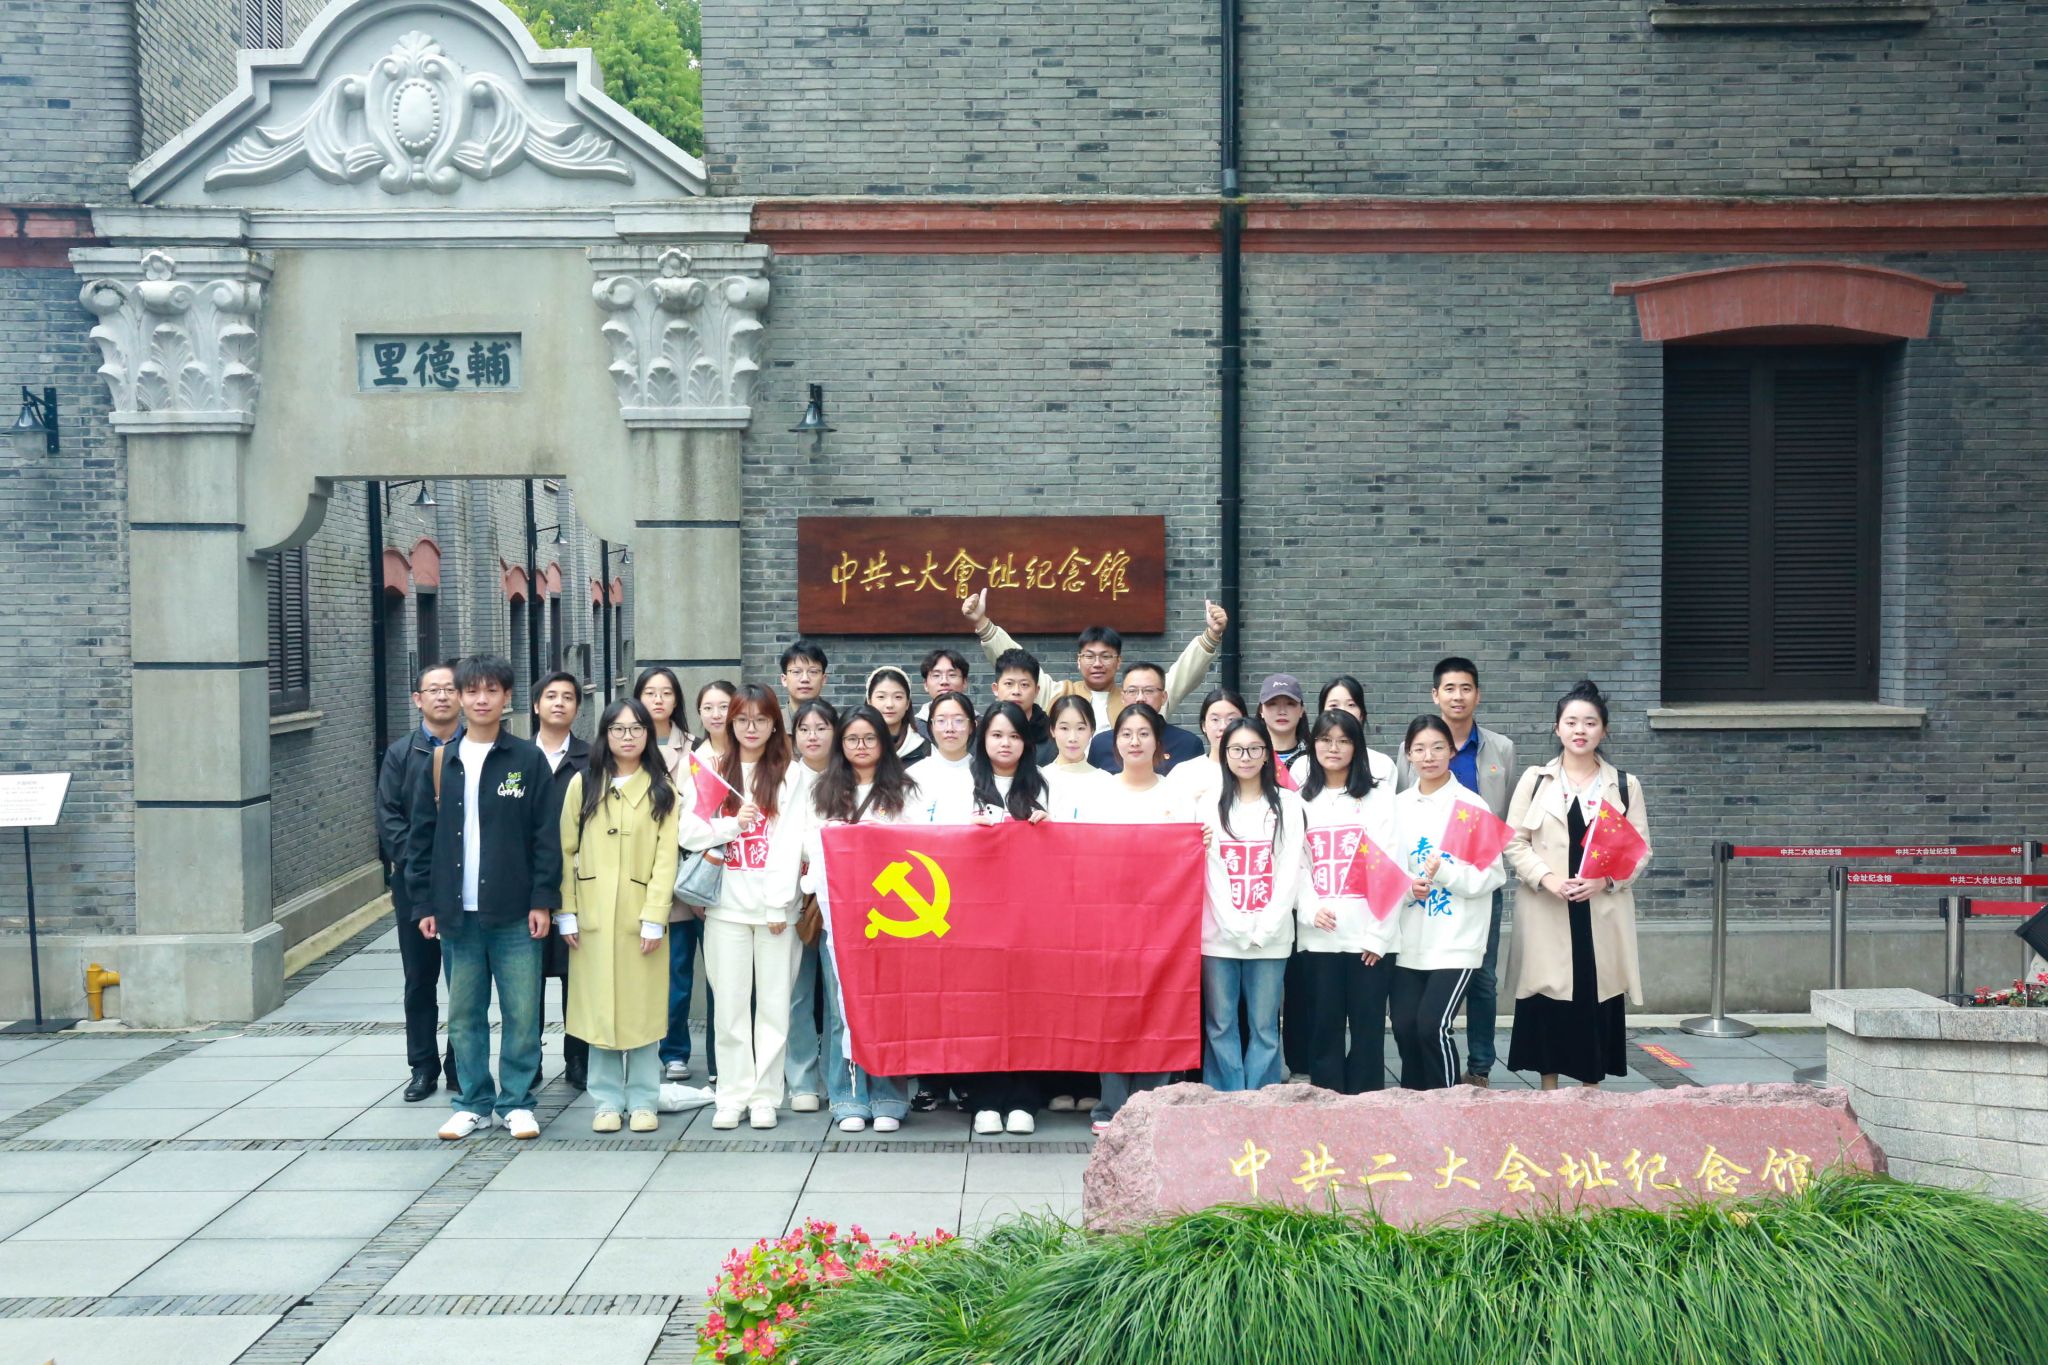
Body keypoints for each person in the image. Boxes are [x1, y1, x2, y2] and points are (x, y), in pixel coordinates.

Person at [405, 654, 561, 1141]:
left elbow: (546, 836)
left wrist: (542, 900)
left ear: (507, 697)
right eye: (471, 690)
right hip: (457, 914)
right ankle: (472, 1101)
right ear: (459, 697)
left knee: (522, 1013)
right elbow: (420, 839)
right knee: (465, 1015)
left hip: (515, 913)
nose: (481, 699)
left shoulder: (526, 760)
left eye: (491, 690)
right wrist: (423, 904)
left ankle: (516, 1102)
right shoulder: (441, 762)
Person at [1504, 681, 1650, 1090]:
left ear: (1604, 730)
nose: (1580, 730)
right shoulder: (1536, 780)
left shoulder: (1624, 785)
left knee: (1595, 992)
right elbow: (1513, 841)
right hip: (1547, 905)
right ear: (1557, 728)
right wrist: (1547, 878)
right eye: (1571, 722)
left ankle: (1591, 1088)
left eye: (1590, 722)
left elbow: (1640, 850)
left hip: (1600, 908)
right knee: (1547, 997)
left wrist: (1604, 880)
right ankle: (1548, 1087)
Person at [685, 684, 809, 1129]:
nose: (750, 728)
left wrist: (778, 905)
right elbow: (688, 833)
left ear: (774, 723)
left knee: (774, 1007)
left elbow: (793, 842)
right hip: (726, 909)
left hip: (777, 911)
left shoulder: (792, 775)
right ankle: (732, 1095)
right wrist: (729, 825)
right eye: (742, 719)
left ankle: (765, 1097)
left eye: (760, 719)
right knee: (730, 1008)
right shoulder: (713, 770)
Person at [555, 698, 679, 1132]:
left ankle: (644, 1099)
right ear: (605, 734)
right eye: (618, 729)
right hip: (590, 915)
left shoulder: (662, 790)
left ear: (648, 734)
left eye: (637, 728)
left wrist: (655, 915)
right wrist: (566, 911)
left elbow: (666, 858)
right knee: (599, 1008)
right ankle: (606, 1100)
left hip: (639, 915)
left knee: (642, 1008)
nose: (628, 737)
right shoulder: (583, 784)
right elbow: (565, 850)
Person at [1397, 657, 1516, 1088]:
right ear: (1408, 755)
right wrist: (1407, 887)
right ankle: (1415, 1105)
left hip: (1457, 939)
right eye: (1419, 749)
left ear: (1452, 752)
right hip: (1410, 939)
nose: (1428, 756)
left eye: (1437, 748)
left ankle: (1450, 1107)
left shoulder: (1470, 806)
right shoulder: (1397, 807)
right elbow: (1386, 873)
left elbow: (1492, 876)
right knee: (1406, 1028)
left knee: (1432, 1027)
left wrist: (1445, 871)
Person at [1081, 702, 1197, 1134]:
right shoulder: (1100, 793)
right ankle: (1110, 1107)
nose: (1135, 741)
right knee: (1113, 1011)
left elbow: (1189, 854)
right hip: (1111, 922)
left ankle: (1151, 1104)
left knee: (1160, 1007)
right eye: (1127, 733)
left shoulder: (1177, 795)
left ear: (1158, 743)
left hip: (1166, 924)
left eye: (1144, 733)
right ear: (1115, 743)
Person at [805, 705, 920, 1134]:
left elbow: (919, 848)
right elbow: (811, 847)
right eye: (852, 739)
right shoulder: (823, 791)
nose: (861, 746)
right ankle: (847, 1095)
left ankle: (889, 1096)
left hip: (891, 919)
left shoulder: (905, 790)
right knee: (842, 1010)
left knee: (887, 1007)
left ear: (884, 743)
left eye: (870, 738)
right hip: (839, 917)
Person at [960, 700, 1056, 1134]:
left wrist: (1048, 829)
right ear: (983, 738)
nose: (1005, 743)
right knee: (982, 1008)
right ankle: (985, 1099)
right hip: (975, 918)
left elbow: (1066, 851)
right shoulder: (964, 784)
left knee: (1028, 1007)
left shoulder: (1044, 785)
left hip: (1030, 919)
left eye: (1014, 736)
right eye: (997, 735)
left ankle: (1024, 1100)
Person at [1296, 710, 1400, 1094]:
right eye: (1325, 740)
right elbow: (1296, 865)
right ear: (1313, 745)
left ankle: (1366, 1106)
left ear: (1357, 747)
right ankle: (1326, 1105)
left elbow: (1392, 868)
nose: (1334, 748)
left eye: (1344, 740)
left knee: (1368, 1029)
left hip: (1367, 941)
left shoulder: (1378, 800)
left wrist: (1378, 935)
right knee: (1323, 1028)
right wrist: (1310, 910)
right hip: (1320, 936)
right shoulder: (1299, 801)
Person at [1199, 717, 1303, 1092]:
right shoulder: (1209, 804)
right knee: (1221, 1022)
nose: (1245, 757)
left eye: (1254, 749)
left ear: (1266, 754)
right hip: (1219, 935)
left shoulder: (1288, 803)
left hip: (1270, 935)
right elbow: (1210, 870)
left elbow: (1290, 867)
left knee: (1264, 1024)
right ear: (1224, 754)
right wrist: (1233, 924)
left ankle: (1261, 1097)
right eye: (1237, 749)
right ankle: (1226, 1096)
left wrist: (1266, 926)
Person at [375, 662, 461, 1103]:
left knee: (465, 980)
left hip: (467, 883)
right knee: (419, 979)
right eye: (433, 690)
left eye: (449, 689)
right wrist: (420, 865)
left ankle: (460, 1065)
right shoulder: (400, 753)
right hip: (414, 884)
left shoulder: (474, 749)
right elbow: (389, 818)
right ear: (417, 699)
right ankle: (422, 1067)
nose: (442, 696)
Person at [962, 589, 1230, 725]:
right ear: (1078, 661)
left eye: (1106, 656)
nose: (1098, 664)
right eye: (1089, 656)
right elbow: (1019, 664)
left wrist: (1212, 634)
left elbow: (1182, 675)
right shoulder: (1058, 694)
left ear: (1118, 661)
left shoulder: (1135, 697)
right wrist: (983, 623)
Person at [531, 671, 591, 1091]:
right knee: (526, 978)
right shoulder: (517, 757)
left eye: (567, 697)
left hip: (578, 884)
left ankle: (578, 1058)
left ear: (576, 707)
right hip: (528, 885)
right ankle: (527, 1058)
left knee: (577, 976)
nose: (559, 703)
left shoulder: (592, 759)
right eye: (550, 696)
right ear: (536, 705)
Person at [784, 698, 839, 1113]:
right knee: (797, 993)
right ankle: (801, 1079)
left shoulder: (847, 777)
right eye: (804, 729)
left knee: (838, 997)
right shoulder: (784, 778)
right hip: (793, 896)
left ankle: (837, 1078)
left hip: (838, 898)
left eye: (821, 728)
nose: (813, 736)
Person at [1084, 662, 1206, 774]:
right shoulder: (1100, 743)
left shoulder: (1188, 744)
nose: (1140, 698)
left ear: (1163, 697)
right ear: (1123, 697)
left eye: (1148, 691)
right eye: (1132, 691)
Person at [1290, 675, 1396, 788]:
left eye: (1351, 705)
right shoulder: (1301, 768)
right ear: (1322, 714)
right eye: (1334, 705)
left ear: (1362, 714)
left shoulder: (1382, 765)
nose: (1342, 711)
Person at [1166, 686, 1246, 809]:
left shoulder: (1254, 770)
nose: (1223, 727)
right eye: (1215, 719)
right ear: (1203, 725)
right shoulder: (1183, 773)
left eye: (1231, 719)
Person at [906, 690, 976, 822]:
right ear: (931, 726)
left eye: (958, 720)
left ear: (972, 726)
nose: (949, 728)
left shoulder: (986, 774)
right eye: (941, 720)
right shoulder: (912, 776)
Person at [1040, 694, 1106, 823]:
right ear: (1052, 730)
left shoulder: (1105, 782)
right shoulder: (1039, 779)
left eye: (1080, 728)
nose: (1072, 738)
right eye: (1064, 728)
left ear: (1092, 731)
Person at [990, 647, 1056, 763]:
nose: (1016, 691)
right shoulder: (983, 733)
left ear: (1036, 691)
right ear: (995, 688)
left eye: (1024, 685)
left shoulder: (1053, 736)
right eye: (1009, 684)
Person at [865, 666, 928, 763]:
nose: (890, 704)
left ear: (907, 703)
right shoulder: (857, 745)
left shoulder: (923, 745)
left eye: (898, 697)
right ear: (869, 701)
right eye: (881, 697)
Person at [634, 666, 691, 766]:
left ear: (676, 701)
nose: (658, 700)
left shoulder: (693, 746)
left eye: (666, 693)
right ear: (638, 700)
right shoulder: (627, 744)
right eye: (650, 693)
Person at [1257, 674, 1309, 771]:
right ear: (1261, 710)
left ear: (1301, 710)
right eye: (1272, 704)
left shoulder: (1314, 756)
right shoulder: (1250, 755)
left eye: (1290, 704)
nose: (1282, 711)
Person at [915, 647, 969, 730]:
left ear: (964, 682)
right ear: (925, 684)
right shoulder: (912, 728)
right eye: (936, 675)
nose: (944, 681)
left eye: (952, 675)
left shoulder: (982, 726)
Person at [780, 638, 829, 709]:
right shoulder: (774, 716)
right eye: (796, 672)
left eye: (813, 672)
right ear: (784, 680)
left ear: (823, 679)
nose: (805, 679)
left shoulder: (836, 717)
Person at [695, 680, 737, 763]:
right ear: (700, 713)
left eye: (724, 707)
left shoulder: (753, 754)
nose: (716, 715)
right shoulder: (692, 762)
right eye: (708, 708)